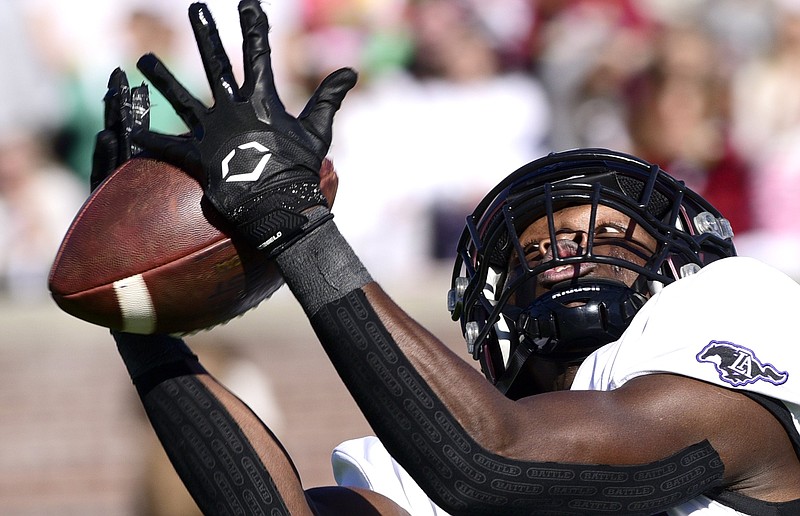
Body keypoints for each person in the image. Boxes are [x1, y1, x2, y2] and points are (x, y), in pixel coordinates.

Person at [91, 1, 800, 514]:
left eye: (603, 235)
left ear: (680, 263)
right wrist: (142, 317)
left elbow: (494, 467)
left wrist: (294, 222)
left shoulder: (733, 312)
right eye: (538, 249)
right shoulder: (429, 441)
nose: (561, 252)